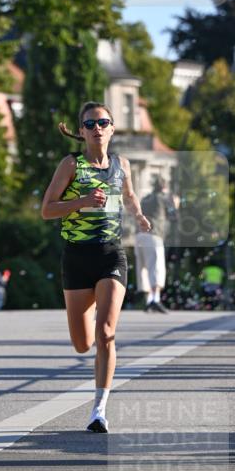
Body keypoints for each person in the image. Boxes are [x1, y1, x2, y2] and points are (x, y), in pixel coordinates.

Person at [41, 101, 151, 433]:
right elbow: (47, 209)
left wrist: (140, 215)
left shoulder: (122, 164)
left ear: (112, 128)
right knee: (81, 343)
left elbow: (129, 196)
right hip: (76, 256)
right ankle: (89, 312)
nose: (97, 128)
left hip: (110, 255)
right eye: (89, 124)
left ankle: (99, 409)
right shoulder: (70, 165)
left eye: (103, 122)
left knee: (106, 333)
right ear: (81, 131)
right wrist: (82, 203)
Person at [135, 175, 178, 313]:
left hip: (139, 236)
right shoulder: (164, 198)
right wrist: (175, 204)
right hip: (154, 236)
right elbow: (173, 216)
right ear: (164, 187)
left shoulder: (145, 198)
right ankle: (156, 300)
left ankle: (148, 301)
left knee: (143, 268)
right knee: (156, 267)